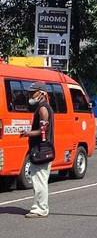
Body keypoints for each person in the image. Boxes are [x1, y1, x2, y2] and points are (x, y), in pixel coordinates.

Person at [19, 81, 54, 218]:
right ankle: (40, 207)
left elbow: (42, 131)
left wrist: (27, 133)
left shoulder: (43, 109)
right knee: (39, 179)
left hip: (41, 149)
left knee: (39, 180)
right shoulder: (43, 108)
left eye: (33, 92)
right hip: (41, 148)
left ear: (42, 93)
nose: (30, 95)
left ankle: (40, 209)